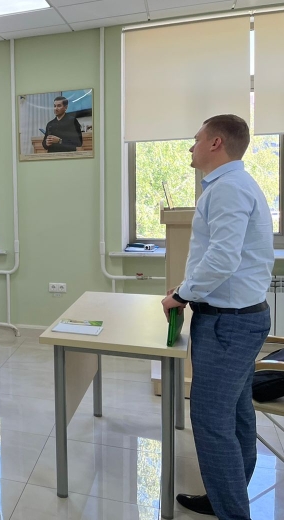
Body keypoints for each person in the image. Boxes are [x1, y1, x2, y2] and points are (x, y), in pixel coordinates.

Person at [161, 115, 274, 520]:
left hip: (229, 324)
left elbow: (223, 259)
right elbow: (220, 256)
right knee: (237, 413)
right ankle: (226, 496)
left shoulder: (227, 188)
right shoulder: (234, 185)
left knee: (210, 419)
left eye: (196, 140)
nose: (190, 147)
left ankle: (231, 510)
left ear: (216, 143)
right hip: (238, 318)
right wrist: (188, 286)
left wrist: (181, 294)